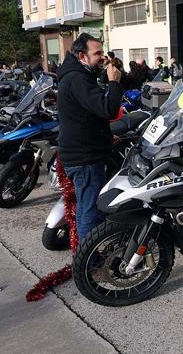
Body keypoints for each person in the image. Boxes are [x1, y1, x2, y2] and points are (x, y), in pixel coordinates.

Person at [56, 33, 122, 240]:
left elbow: (86, 116)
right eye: (98, 53)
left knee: (89, 208)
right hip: (85, 158)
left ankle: (90, 254)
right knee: (90, 212)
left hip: (86, 150)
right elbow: (107, 109)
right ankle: (87, 264)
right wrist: (114, 82)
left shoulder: (79, 74)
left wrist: (106, 137)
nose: (103, 57)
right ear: (82, 56)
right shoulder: (77, 79)